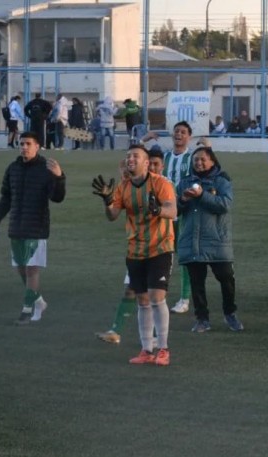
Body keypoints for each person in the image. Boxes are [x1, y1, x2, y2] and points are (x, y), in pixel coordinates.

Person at [92, 144, 177, 366]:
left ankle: (164, 349)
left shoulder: (161, 183)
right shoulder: (124, 186)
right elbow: (112, 215)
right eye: (128, 156)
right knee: (142, 300)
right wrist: (106, 199)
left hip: (160, 247)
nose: (130, 159)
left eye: (135, 156)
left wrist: (158, 210)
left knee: (157, 297)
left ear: (146, 163)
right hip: (135, 250)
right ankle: (147, 350)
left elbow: (172, 210)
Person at [0, 132, 66, 324]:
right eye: (21, 143)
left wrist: (59, 177)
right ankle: (38, 300)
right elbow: (6, 197)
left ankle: (26, 309)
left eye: (28, 144)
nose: (24, 147)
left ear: (37, 146)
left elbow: (57, 198)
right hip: (16, 226)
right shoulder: (13, 168)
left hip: (36, 228)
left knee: (31, 270)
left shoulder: (46, 169)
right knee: (21, 269)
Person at [177, 146, 243, 333]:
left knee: (226, 278)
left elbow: (225, 205)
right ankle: (202, 319)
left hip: (217, 240)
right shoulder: (185, 182)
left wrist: (202, 196)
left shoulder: (222, 181)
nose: (199, 163)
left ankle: (230, 313)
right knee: (197, 283)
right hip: (192, 240)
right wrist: (182, 199)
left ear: (212, 161)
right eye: (196, 160)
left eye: (203, 159)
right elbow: (175, 209)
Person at [141, 121, 195, 314]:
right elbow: (138, 161)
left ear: (189, 136)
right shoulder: (164, 157)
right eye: (176, 132)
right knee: (159, 256)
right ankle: (154, 292)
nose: (179, 134)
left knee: (184, 257)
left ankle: (185, 298)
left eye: (183, 132)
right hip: (162, 216)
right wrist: (143, 140)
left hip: (184, 214)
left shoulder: (192, 158)